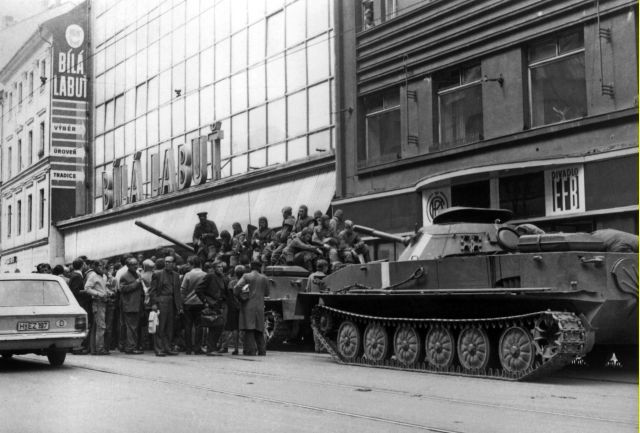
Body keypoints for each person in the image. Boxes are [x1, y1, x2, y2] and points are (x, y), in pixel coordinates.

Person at [234, 261, 270, 356]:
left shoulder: (246, 276)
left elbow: (237, 287)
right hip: (260, 306)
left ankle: (250, 351)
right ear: (260, 267)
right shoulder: (264, 278)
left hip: (248, 305)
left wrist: (239, 295)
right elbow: (267, 293)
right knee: (259, 329)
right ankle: (262, 351)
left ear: (251, 267)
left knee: (249, 329)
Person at [149, 257, 182, 357]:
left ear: (174, 264)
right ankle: (159, 348)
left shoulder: (176, 275)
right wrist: (154, 303)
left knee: (170, 327)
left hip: (172, 302)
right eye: (166, 262)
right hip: (162, 301)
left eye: (170, 262)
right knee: (160, 326)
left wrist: (179, 306)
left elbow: (177, 292)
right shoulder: (158, 274)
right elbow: (153, 290)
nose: (168, 264)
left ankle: (167, 347)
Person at [196, 261, 227, 356]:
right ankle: (210, 348)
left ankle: (212, 348)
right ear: (214, 268)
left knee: (219, 326)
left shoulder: (223, 277)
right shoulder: (210, 276)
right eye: (218, 267)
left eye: (221, 267)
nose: (221, 268)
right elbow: (198, 289)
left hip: (220, 304)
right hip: (211, 304)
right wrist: (205, 301)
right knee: (214, 326)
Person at [84, 260, 113, 355]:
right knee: (101, 326)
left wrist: (108, 292)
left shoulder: (103, 276)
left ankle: (95, 348)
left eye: (103, 266)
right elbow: (87, 288)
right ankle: (99, 349)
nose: (102, 268)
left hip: (104, 302)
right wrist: (98, 294)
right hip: (98, 303)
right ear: (95, 267)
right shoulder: (92, 276)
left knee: (99, 326)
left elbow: (104, 288)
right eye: (100, 266)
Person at [180, 256, 206, 355]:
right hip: (200, 303)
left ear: (191, 264)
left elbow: (182, 290)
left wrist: (181, 303)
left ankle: (188, 348)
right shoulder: (205, 274)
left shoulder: (188, 275)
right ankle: (198, 347)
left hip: (188, 303)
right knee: (199, 326)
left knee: (188, 326)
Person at [119, 257, 144, 354]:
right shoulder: (124, 276)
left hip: (136, 304)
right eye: (133, 264)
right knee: (131, 327)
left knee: (134, 327)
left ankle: (132, 346)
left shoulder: (137, 274)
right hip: (129, 305)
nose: (136, 266)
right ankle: (130, 347)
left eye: (136, 264)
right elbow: (123, 289)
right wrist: (136, 283)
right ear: (128, 266)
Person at [219, 264, 244, 355]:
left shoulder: (232, 282)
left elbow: (230, 297)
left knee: (230, 328)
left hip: (232, 308)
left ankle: (227, 347)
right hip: (243, 307)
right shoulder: (245, 282)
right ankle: (239, 348)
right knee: (238, 328)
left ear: (235, 273)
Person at [69, 258, 91, 354]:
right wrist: (87, 291)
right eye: (85, 264)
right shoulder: (77, 276)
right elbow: (75, 291)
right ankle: (77, 347)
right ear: (82, 265)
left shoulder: (75, 275)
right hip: (80, 303)